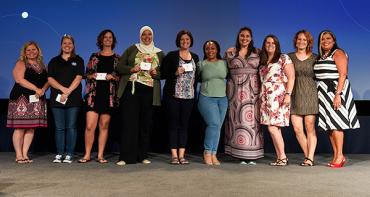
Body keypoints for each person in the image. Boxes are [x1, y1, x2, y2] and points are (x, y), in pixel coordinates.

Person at [116, 26, 164, 165]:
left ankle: (142, 156)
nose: (147, 37)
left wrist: (157, 74)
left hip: (149, 92)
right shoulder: (132, 48)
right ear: (140, 36)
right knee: (129, 124)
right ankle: (125, 157)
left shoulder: (160, 53)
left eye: (149, 34)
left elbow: (164, 73)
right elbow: (119, 67)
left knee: (145, 124)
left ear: (153, 36)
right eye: (144, 34)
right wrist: (131, 69)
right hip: (131, 90)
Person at [314, 30, 360, 168]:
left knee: (337, 123)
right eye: (322, 39)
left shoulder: (338, 53)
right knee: (329, 125)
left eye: (328, 38)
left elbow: (343, 74)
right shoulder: (322, 56)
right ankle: (336, 155)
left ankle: (340, 156)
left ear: (334, 40)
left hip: (335, 92)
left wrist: (338, 94)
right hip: (323, 93)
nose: (325, 41)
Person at [79, 29, 120, 164]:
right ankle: (87, 155)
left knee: (104, 125)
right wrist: (93, 75)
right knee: (90, 126)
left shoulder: (117, 58)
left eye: (110, 37)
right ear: (101, 40)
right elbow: (87, 74)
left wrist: (112, 77)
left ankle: (100, 155)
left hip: (108, 96)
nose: (108, 39)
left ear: (113, 41)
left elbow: (120, 76)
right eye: (105, 37)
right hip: (93, 95)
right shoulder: (94, 57)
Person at [224, 27, 263, 165]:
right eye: (242, 36)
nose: (244, 38)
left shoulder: (258, 52)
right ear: (238, 37)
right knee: (237, 120)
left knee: (252, 120)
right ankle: (239, 155)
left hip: (253, 91)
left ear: (251, 38)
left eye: (247, 36)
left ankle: (252, 155)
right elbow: (224, 71)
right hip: (235, 91)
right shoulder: (230, 52)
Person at [6, 41, 49, 163]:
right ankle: (18, 155)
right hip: (21, 99)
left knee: (31, 128)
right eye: (28, 50)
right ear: (24, 52)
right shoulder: (21, 63)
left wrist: (43, 90)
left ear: (38, 51)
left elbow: (48, 80)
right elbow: (19, 79)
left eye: (33, 49)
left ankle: (25, 154)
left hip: (36, 99)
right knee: (20, 127)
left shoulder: (43, 65)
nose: (31, 52)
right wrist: (36, 89)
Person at [161, 30, 199, 165]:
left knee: (184, 125)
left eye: (187, 39)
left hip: (189, 96)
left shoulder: (195, 56)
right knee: (173, 125)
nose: (185, 42)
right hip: (173, 96)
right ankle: (174, 156)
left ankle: (182, 155)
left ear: (191, 41)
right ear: (178, 41)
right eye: (182, 39)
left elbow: (197, 77)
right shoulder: (171, 56)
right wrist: (175, 72)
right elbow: (163, 74)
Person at [48, 34, 84, 163]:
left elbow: (79, 77)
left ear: (73, 45)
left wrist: (68, 91)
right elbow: (50, 79)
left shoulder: (78, 60)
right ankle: (59, 153)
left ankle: (69, 153)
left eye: (70, 43)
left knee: (71, 127)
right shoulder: (54, 61)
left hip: (73, 98)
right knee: (59, 128)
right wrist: (63, 89)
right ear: (61, 45)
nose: (67, 45)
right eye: (65, 43)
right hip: (57, 99)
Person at [259, 34, 295, 166]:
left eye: (273, 43)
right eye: (268, 42)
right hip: (265, 97)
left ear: (277, 45)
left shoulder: (283, 58)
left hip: (278, 95)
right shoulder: (263, 61)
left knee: (273, 128)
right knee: (275, 129)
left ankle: (283, 157)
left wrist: (288, 94)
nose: (270, 45)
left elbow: (291, 77)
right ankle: (280, 157)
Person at [288, 30, 318, 166]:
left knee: (309, 126)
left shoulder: (315, 58)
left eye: (304, 40)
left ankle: (309, 158)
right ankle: (308, 156)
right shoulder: (289, 57)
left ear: (308, 42)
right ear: (295, 41)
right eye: (299, 39)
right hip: (294, 95)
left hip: (310, 94)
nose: (301, 42)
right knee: (297, 129)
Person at [197, 40, 228, 165]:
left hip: (223, 99)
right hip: (206, 98)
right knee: (214, 124)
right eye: (207, 49)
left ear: (217, 50)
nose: (210, 51)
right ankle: (207, 152)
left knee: (218, 127)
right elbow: (196, 79)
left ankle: (214, 154)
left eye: (213, 48)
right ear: (204, 51)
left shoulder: (224, 63)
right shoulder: (201, 64)